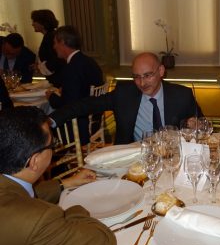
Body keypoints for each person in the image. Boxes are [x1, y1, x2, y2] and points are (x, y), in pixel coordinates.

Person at [0, 106, 116, 245]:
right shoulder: (38, 222)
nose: (54, 148)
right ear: (34, 161)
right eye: (52, 145)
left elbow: (19, 195)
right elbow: (103, 241)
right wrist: (74, 210)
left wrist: (65, 183)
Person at [50, 52, 203, 144]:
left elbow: (202, 125)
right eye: (136, 77)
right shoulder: (124, 93)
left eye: (147, 75)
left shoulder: (182, 95)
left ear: (161, 71)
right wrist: (52, 120)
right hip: (132, 157)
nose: (142, 83)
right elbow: (86, 105)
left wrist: (197, 125)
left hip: (171, 156)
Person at [45, 25, 104, 145]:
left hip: (79, 125)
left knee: (42, 126)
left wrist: (51, 97)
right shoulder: (89, 61)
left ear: (62, 42)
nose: (54, 47)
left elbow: (69, 105)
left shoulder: (71, 68)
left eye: (55, 43)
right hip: (94, 120)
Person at [31, 9, 66, 85]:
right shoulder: (50, 35)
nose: (32, 24)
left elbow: (55, 60)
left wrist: (40, 67)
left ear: (43, 23)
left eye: (34, 21)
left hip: (58, 79)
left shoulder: (50, 37)